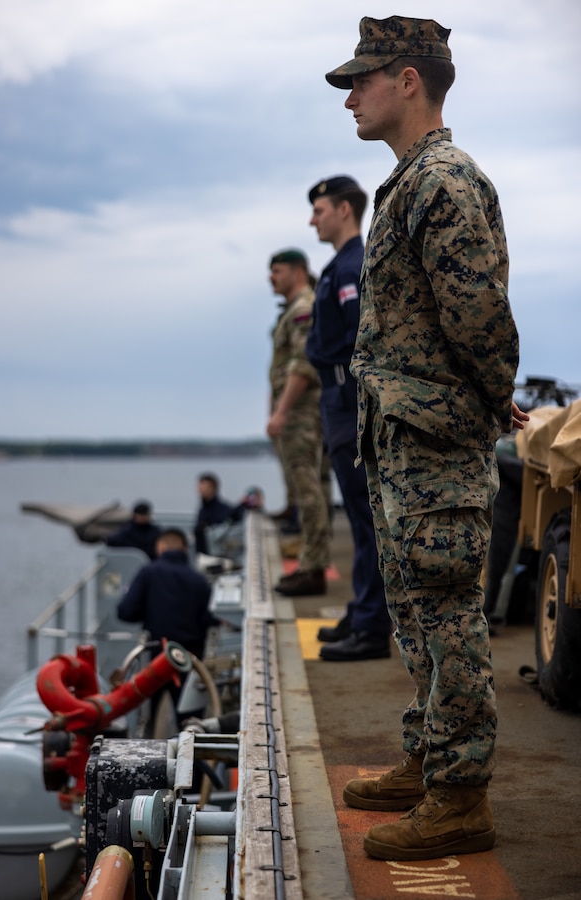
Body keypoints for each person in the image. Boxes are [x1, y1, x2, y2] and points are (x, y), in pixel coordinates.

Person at [324, 15, 528, 861]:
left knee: (446, 612)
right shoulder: (409, 183)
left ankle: (460, 795)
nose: (351, 101)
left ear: (409, 80)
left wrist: (495, 397)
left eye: (361, 83)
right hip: (405, 438)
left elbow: (479, 315)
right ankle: (428, 756)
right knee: (415, 610)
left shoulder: (442, 180)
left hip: (436, 437)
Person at [306, 175, 393, 661]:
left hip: (349, 397)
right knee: (361, 522)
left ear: (343, 210)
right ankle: (362, 609)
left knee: (366, 520)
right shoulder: (339, 266)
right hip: (336, 400)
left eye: (319, 209)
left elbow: (361, 337)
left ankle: (371, 627)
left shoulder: (353, 266)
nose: (312, 218)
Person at [267, 248, 331, 596]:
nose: (271, 278)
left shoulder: (303, 308)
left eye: (277, 271)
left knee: (309, 491)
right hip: (299, 411)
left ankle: (313, 567)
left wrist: (281, 411)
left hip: (302, 412)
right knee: (310, 488)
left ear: (297, 272)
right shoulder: (295, 309)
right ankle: (312, 562)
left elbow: (303, 365)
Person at [117, 528, 219, 724]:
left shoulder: (149, 573)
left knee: (148, 718)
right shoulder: (199, 580)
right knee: (189, 722)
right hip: (191, 660)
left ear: (160, 547)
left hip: (158, 657)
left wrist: (149, 612)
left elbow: (125, 611)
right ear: (185, 549)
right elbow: (209, 619)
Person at [193, 473, 244, 555]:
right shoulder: (203, 510)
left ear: (213, 488)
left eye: (203, 487)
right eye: (199, 487)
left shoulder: (222, 510)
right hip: (203, 555)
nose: (200, 490)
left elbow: (233, 518)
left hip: (218, 555)